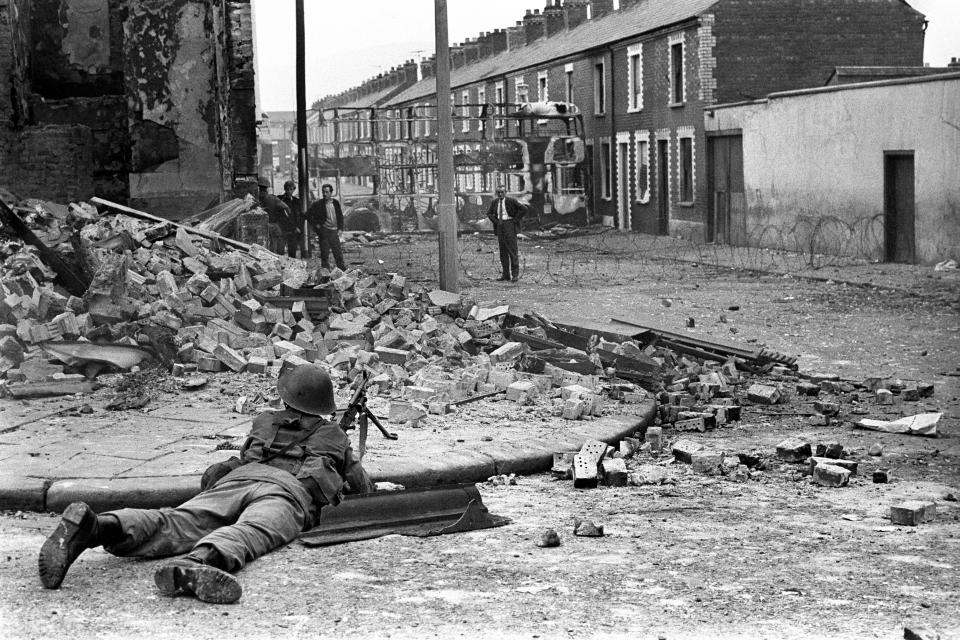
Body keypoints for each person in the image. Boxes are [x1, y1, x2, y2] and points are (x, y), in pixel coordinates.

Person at [38, 365, 373, 604]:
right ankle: (197, 564)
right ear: (323, 404)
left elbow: (247, 455)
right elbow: (363, 489)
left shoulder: (265, 420)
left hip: (238, 479)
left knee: (176, 520)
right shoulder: (333, 434)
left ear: (287, 398)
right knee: (253, 530)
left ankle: (96, 527)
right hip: (286, 493)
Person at [486, 185, 527, 282]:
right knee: (503, 252)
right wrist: (496, 222)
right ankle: (505, 275)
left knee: (512, 251)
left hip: (509, 225)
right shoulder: (495, 202)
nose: (500, 194)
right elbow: (489, 213)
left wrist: (515, 220)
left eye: (502, 192)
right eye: (498, 192)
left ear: (506, 192)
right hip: (500, 226)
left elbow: (524, 209)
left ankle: (515, 275)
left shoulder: (511, 201)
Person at [305, 183, 346, 270]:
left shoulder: (335, 203)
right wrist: (317, 226)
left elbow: (340, 216)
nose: (325, 194)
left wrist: (341, 228)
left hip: (334, 232)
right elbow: (308, 215)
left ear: (331, 193)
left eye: (327, 192)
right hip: (324, 232)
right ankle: (325, 273)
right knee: (324, 254)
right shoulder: (318, 204)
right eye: (323, 192)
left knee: (338, 253)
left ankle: (342, 271)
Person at [257, 176, 292, 255]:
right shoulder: (273, 198)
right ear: (267, 188)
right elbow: (287, 208)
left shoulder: (254, 198)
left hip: (260, 228)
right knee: (276, 247)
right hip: (273, 226)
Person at [277, 180, 303, 258]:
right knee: (280, 252)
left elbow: (299, 216)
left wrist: (299, 227)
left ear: (293, 189)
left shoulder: (296, 201)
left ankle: (291, 269)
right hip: (283, 230)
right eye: (287, 189)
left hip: (293, 231)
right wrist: (294, 227)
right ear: (285, 189)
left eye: (291, 189)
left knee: (292, 252)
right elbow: (283, 217)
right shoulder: (280, 200)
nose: (289, 191)